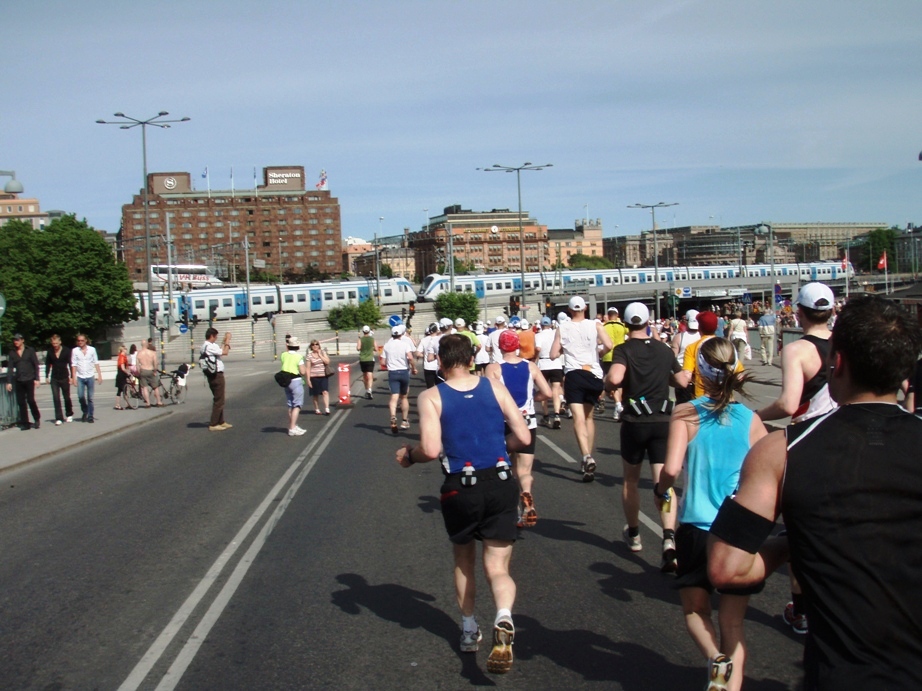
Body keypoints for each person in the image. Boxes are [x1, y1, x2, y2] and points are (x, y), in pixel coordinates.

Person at [708, 295, 922, 690]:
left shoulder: (782, 451)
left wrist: (793, 542)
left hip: (843, 673)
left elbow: (729, 566)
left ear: (836, 363)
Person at [395, 334, 531, 674]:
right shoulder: (494, 387)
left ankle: (469, 630)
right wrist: (501, 444)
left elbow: (429, 448)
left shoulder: (431, 396)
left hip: (461, 486)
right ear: (473, 358)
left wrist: (408, 457)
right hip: (501, 481)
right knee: (498, 567)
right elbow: (525, 437)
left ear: (439, 362)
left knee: (464, 559)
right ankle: (503, 615)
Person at [657, 337, 768, 691]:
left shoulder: (687, 413)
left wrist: (662, 489)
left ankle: (713, 657)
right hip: (738, 528)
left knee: (695, 610)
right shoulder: (750, 419)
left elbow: (672, 468)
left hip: (698, 526)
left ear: (699, 373)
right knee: (733, 624)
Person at [755, 282, 837, 634]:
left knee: (800, 533)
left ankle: (802, 611)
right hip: (847, 436)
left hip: (808, 441)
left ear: (798, 313)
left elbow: (789, 405)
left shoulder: (797, 350)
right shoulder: (846, 344)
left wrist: (757, 415)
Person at [604, 302, 681, 567]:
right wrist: (664, 376)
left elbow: (615, 378)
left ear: (626, 324)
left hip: (636, 421)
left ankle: (634, 534)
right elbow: (682, 381)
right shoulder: (664, 349)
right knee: (663, 482)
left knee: (631, 481)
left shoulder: (623, 350)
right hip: (662, 421)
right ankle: (669, 536)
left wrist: (607, 384)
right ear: (649, 322)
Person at [486, 329, 552, 527]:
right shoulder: (531, 366)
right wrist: (535, 398)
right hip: (527, 422)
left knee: (505, 467)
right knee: (524, 470)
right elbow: (547, 392)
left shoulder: (493, 369)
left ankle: (512, 510)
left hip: (504, 423)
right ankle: (527, 494)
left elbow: (490, 396)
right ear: (518, 346)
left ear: (500, 346)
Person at [550, 295, 614, 481]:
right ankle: (588, 457)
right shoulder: (596, 325)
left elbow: (553, 354)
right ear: (585, 308)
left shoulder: (562, 328)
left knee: (578, 418)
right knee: (589, 418)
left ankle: (586, 455)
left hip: (574, 374)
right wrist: (598, 352)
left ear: (569, 310)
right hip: (593, 374)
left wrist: (563, 349)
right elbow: (609, 345)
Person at [381, 324, 417, 433]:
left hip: (393, 372)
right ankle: (405, 420)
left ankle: (393, 416)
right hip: (404, 372)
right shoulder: (404, 344)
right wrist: (414, 368)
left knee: (394, 397)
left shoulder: (387, 345)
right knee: (404, 397)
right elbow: (410, 358)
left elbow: (382, 362)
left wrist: (390, 364)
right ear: (401, 334)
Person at [6, 333, 41, 430]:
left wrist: (37, 379)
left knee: (30, 400)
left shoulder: (29, 350)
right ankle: (25, 423)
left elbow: (35, 365)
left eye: (17, 340)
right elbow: (10, 368)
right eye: (14, 340)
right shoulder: (12, 353)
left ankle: (37, 418)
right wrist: (9, 382)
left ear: (22, 340)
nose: (15, 342)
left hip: (29, 378)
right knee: (21, 402)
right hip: (19, 380)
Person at [534, 316, 564, 428]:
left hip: (543, 364)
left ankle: (546, 416)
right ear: (551, 325)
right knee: (556, 389)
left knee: (544, 390)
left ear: (541, 326)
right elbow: (562, 347)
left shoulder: (538, 335)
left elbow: (537, 348)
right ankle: (556, 414)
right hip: (555, 363)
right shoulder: (555, 334)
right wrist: (558, 354)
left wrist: (535, 358)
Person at [200, 327, 232, 431]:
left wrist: (223, 342)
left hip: (214, 374)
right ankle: (213, 423)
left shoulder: (208, 346)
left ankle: (220, 421)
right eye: (216, 336)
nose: (216, 338)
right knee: (219, 399)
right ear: (212, 336)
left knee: (219, 398)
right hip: (216, 375)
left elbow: (220, 351)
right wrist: (228, 340)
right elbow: (225, 352)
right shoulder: (208, 346)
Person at [601, 306, 629, 420]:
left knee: (609, 381)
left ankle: (617, 404)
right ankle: (618, 405)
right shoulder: (622, 326)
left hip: (607, 356)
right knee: (620, 382)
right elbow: (629, 333)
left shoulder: (604, 326)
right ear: (617, 315)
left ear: (608, 315)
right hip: (620, 355)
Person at [70, 333, 103, 423]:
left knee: (90, 398)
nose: (80, 342)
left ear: (86, 341)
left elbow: (96, 362)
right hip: (80, 376)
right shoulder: (75, 351)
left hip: (90, 376)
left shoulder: (92, 350)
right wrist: (73, 377)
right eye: (78, 340)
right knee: (80, 396)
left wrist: (99, 375)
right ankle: (85, 410)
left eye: (82, 340)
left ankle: (90, 416)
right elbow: (74, 365)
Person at [671, 310, 701, 404]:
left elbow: (673, 358)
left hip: (683, 374)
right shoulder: (702, 336)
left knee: (682, 405)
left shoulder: (679, 337)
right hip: (699, 374)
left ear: (686, 321)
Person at [280, 336, 308, 436]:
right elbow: (303, 371)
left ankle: (293, 425)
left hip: (286, 380)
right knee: (297, 405)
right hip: (295, 380)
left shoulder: (283, 355)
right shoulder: (298, 357)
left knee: (290, 404)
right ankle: (292, 428)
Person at [45, 334, 74, 425]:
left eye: (56, 343)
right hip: (54, 377)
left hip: (64, 376)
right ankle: (59, 417)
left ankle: (69, 414)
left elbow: (70, 363)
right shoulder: (50, 351)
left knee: (66, 397)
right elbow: (47, 364)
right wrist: (46, 375)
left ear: (60, 342)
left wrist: (72, 377)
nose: (55, 345)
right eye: (53, 343)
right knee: (56, 398)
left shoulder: (66, 350)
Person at [306, 339, 333, 415]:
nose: (315, 346)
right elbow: (308, 368)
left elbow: (327, 362)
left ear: (319, 345)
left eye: (316, 344)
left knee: (325, 391)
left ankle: (327, 408)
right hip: (314, 376)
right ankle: (317, 409)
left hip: (323, 376)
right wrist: (308, 379)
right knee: (315, 394)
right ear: (311, 346)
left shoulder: (323, 353)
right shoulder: (309, 356)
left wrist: (320, 355)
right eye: (313, 344)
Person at [136, 339, 164, 408]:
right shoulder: (152, 353)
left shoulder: (139, 354)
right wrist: (155, 371)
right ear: (147, 345)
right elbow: (155, 363)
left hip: (143, 370)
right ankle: (159, 402)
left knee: (144, 387)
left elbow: (137, 365)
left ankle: (148, 403)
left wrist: (139, 372)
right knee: (155, 387)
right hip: (150, 370)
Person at [418, 322, 442, 388]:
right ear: (437, 330)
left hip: (428, 367)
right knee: (440, 387)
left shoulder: (423, 340)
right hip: (438, 366)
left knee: (430, 387)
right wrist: (435, 357)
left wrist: (425, 355)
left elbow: (418, 353)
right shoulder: (440, 339)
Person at [356, 326, 378, 399]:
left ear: (363, 331)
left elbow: (358, 348)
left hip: (363, 359)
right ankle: (370, 390)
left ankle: (366, 389)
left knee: (364, 375)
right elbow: (376, 349)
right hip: (370, 358)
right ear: (369, 331)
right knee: (370, 375)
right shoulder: (372, 339)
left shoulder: (360, 339)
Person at [114, 344, 130, 410]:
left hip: (120, 375)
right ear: (123, 350)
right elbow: (123, 368)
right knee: (123, 390)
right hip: (121, 375)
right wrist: (128, 373)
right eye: (125, 349)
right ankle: (120, 405)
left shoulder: (121, 356)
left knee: (121, 390)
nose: (126, 350)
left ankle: (121, 404)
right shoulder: (122, 357)